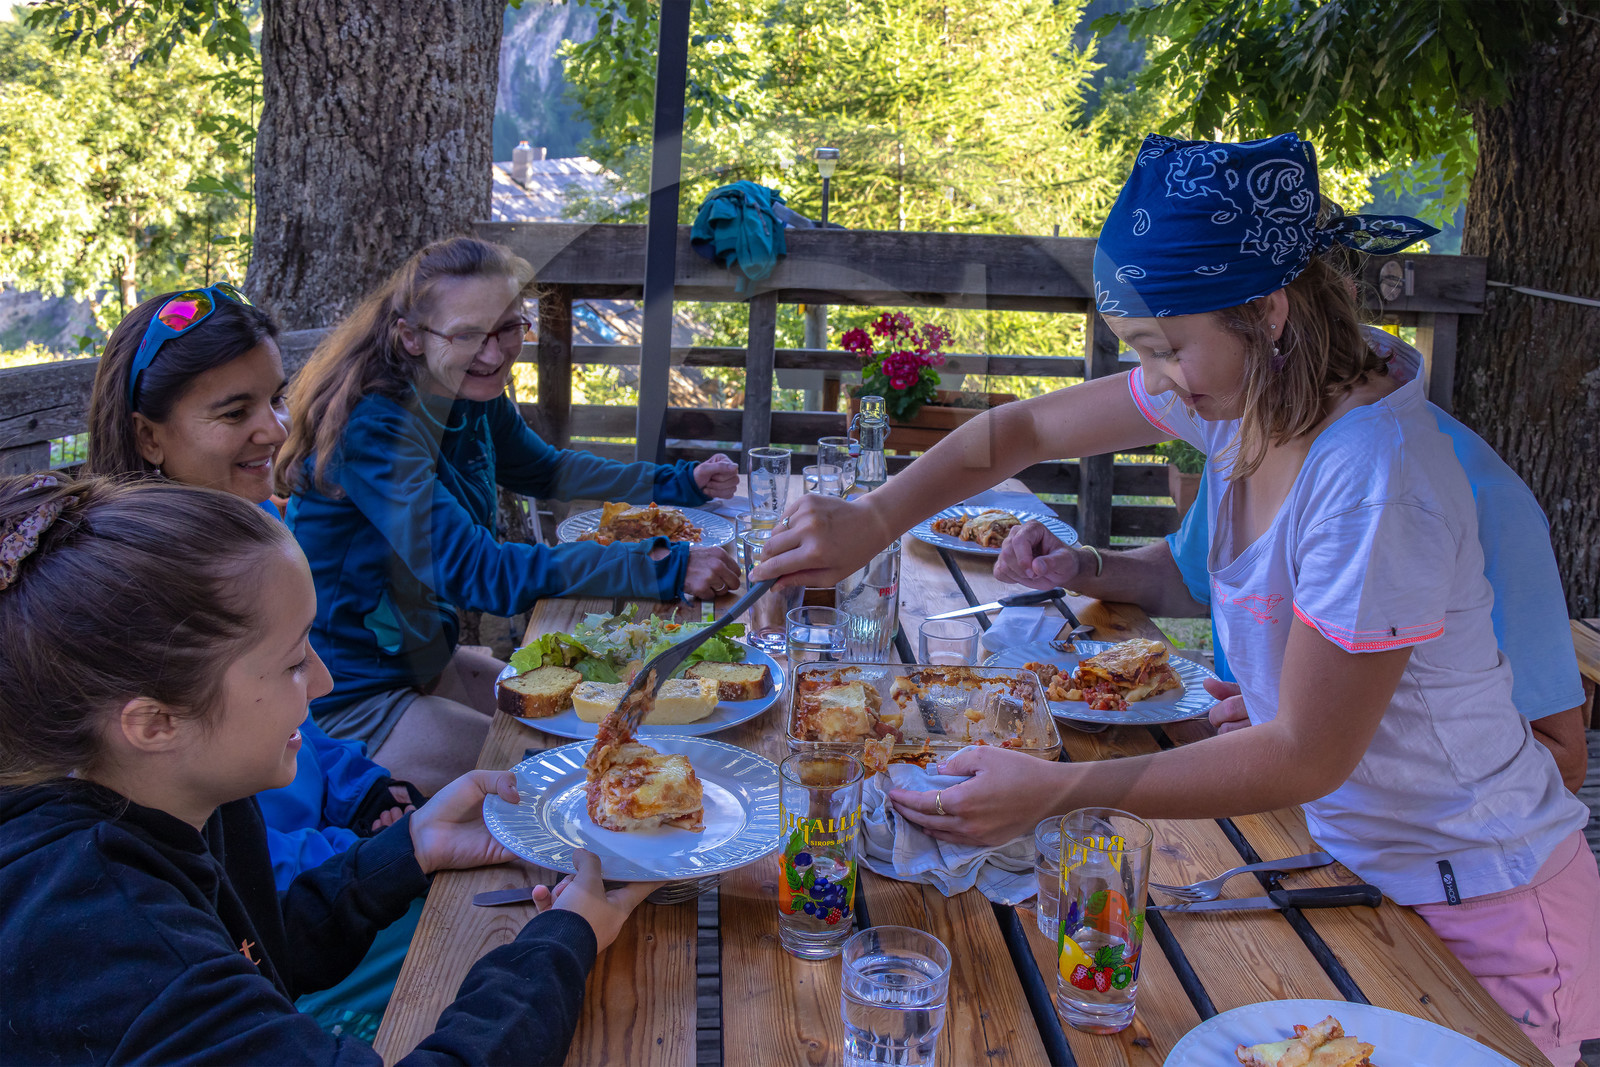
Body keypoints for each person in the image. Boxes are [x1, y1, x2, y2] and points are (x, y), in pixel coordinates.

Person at [756, 134, 1597, 1063]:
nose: (1153, 381)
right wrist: (870, 519)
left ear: (1269, 309)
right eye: (1138, 353)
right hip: (1358, 869)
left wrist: (1057, 791)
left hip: (1484, 906)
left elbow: (1304, 754)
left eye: (1165, 350)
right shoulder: (1254, 389)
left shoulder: (1372, 478)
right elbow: (1026, 426)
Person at [0, 474, 653, 1064]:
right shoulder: (101, 933)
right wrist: (560, 944)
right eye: (291, 663)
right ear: (154, 722)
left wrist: (408, 849)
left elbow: (252, 950)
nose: (323, 680)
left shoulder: (183, 799)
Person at [1005, 327, 1589, 793]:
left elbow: (1560, 758)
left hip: (1425, 872)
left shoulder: (1470, 493)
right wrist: (1082, 566)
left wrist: (1297, 731)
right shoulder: (1250, 434)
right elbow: (1188, 579)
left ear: (1275, 317)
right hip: (1261, 794)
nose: (1167, 385)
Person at [84, 284, 434, 1038]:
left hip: (321, 869)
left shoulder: (255, 529)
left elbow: (307, 717)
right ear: (149, 437)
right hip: (272, 923)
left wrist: (362, 786)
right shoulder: (138, 603)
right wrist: (365, 850)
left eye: (274, 400)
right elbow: (214, 855)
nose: (273, 429)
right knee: (469, 922)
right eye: (233, 411)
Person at [278, 237, 740, 792]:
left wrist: (677, 483)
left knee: (606, 729)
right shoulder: (374, 427)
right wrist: (660, 565)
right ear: (410, 336)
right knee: (566, 781)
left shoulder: (468, 391)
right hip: (349, 699)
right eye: (467, 334)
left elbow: (547, 471)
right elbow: (479, 573)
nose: (494, 354)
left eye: (507, 328)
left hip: (425, 664)